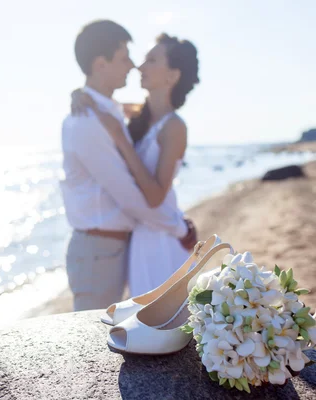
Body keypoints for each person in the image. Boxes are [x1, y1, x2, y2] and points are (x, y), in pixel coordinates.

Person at [60, 20, 196, 311]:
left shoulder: (148, 121)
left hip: (142, 239)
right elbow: (132, 197)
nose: (137, 66)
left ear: (172, 75)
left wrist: (177, 228)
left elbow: (149, 194)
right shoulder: (112, 117)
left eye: (150, 60)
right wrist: (179, 228)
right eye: (127, 58)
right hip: (121, 243)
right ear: (100, 63)